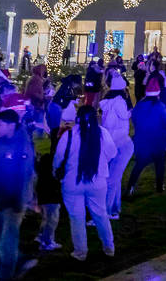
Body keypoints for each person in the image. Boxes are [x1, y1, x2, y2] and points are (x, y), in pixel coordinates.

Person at [54, 105, 117, 261]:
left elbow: (58, 159)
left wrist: (56, 173)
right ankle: (109, 247)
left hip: (72, 182)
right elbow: (112, 153)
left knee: (77, 218)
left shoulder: (69, 135)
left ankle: (81, 252)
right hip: (97, 180)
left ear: (77, 118)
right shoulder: (103, 133)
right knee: (101, 214)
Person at [0, 109, 36, 280]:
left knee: (7, 242)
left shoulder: (22, 145)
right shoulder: (1, 140)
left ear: (11, 126)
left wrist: (19, 201)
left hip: (14, 202)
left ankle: (6, 274)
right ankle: (19, 261)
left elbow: (26, 175)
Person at [127, 77, 166, 195]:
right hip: (157, 142)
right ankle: (159, 186)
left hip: (142, 141)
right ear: (158, 93)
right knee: (160, 165)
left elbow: (134, 120)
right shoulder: (160, 106)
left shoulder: (139, 105)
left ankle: (130, 187)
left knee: (139, 165)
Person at [99, 75, 133, 220]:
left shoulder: (106, 103)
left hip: (111, 145)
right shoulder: (120, 102)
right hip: (120, 144)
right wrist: (131, 110)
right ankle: (109, 211)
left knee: (113, 179)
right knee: (113, 180)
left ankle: (111, 210)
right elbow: (125, 116)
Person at [34, 147, 62, 252]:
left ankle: (42, 236)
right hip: (51, 197)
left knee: (47, 218)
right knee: (52, 219)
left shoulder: (42, 170)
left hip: (44, 196)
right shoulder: (51, 170)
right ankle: (46, 242)